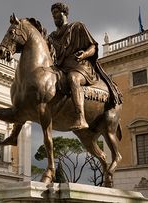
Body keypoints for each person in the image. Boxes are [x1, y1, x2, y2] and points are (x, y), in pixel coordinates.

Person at [48, 2, 122, 130]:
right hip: (62, 68)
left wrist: (84, 55)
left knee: (73, 79)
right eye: (52, 14)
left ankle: (80, 117)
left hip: (81, 67)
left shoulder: (77, 27)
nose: (54, 17)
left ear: (64, 13)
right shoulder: (53, 36)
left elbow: (93, 47)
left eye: (56, 13)